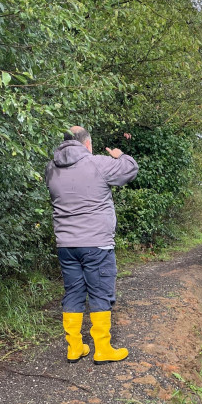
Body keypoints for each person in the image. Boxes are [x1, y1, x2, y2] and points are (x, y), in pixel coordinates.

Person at [45, 126, 138, 364]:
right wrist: (120, 155)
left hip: (66, 245)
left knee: (73, 292)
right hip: (96, 243)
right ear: (87, 144)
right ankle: (102, 349)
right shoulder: (98, 163)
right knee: (100, 292)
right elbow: (130, 170)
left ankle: (75, 347)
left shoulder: (51, 169)